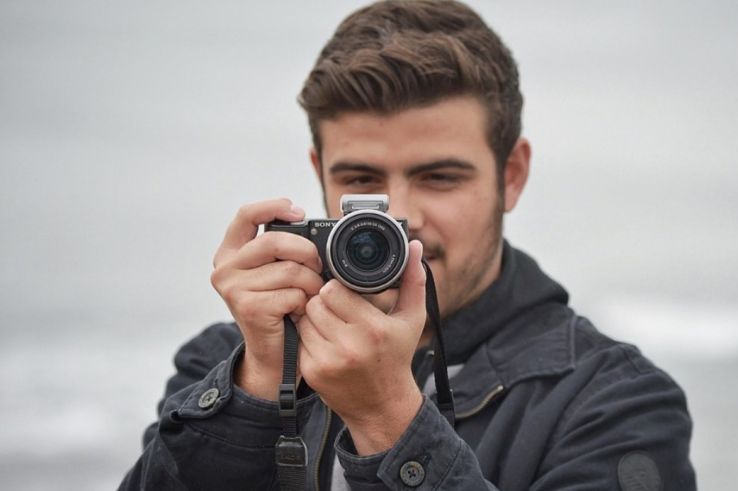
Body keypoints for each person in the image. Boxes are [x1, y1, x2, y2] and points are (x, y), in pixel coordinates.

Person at [120, 1, 696, 489]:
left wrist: (389, 419)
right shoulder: (228, 360)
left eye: (440, 177)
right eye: (362, 182)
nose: (400, 215)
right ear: (320, 173)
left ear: (511, 175)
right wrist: (256, 393)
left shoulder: (615, 404)